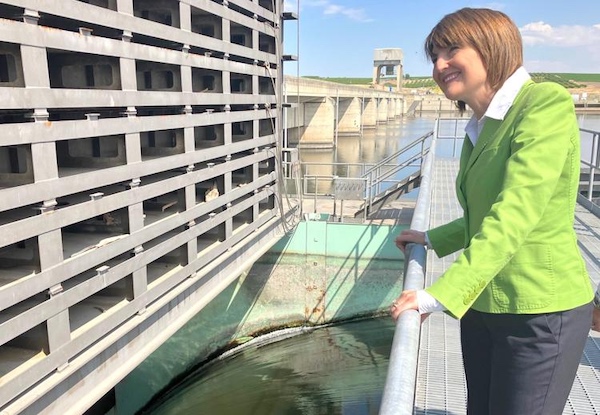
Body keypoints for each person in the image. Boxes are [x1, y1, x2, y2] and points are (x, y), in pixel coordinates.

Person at [391, 7, 596, 415]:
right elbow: (481, 216)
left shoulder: (542, 104)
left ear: (492, 45)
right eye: (433, 55)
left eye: (452, 48)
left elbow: (514, 215)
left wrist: (437, 295)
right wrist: (431, 238)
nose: (439, 64)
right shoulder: (480, 126)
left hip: (540, 310)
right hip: (485, 306)